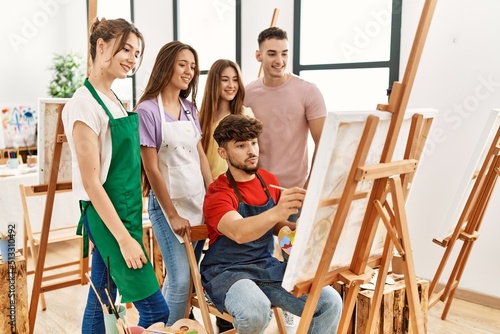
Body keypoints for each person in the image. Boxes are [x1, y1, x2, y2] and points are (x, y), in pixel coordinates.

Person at [62, 17, 169, 332]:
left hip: (127, 213)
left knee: (102, 299)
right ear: (101, 46)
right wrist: (124, 239)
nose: (133, 59)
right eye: (126, 50)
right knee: (155, 312)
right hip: (108, 218)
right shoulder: (83, 106)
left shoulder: (115, 100)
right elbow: (92, 184)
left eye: (137, 53)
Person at [200, 115, 342, 334]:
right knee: (256, 311)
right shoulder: (218, 193)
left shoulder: (268, 180)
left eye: (254, 142)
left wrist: (301, 228)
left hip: (265, 267)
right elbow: (239, 232)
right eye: (241, 145)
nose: (251, 151)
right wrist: (277, 211)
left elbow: (277, 227)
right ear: (223, 153)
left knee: (329, 302)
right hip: (227, 272)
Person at [136, 41, 213, 326]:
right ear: (166, 65)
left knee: (182, 280)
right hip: (168, 208)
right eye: (183, 64)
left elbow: (201, 156)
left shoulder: (190, 107)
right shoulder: (147, 111)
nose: (189, 71)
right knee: (181, 280)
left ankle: (159, 330)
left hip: (197, 203)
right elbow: (152, 169)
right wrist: (172, 214)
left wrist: (213, 194)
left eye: (193, 66)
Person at [245, 26, 327, 190]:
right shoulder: (247, 94)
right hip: (257, 188)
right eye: (272, 53)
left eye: (284, 53)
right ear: (258, 56)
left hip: (294, 190)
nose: (279, 60)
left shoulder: (308, 91)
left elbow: (324, 143)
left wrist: (309, 187)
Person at [198, 59, 254, 180]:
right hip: (204, 189)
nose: (231, 85)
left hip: (233, 190)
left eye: (235, 80)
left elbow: (251, 159)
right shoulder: (199, 118)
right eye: (224, 80)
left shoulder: (245, 115)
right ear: (214, 82)